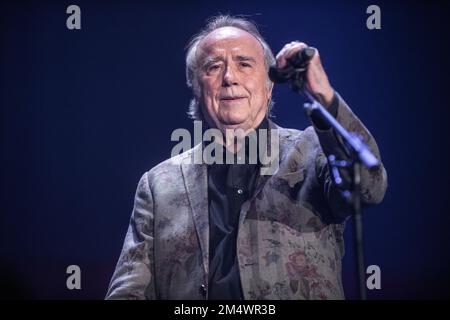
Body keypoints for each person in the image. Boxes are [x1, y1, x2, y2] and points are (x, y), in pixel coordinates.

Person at [105, 15, 387, 300]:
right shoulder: (158, 185)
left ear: (269, 86)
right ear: (196, 88)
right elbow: (128, 290)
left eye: (244, 64)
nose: (229, 77)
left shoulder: (313, 150)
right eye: (214, 67)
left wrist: (323, 95)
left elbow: (370, 187)